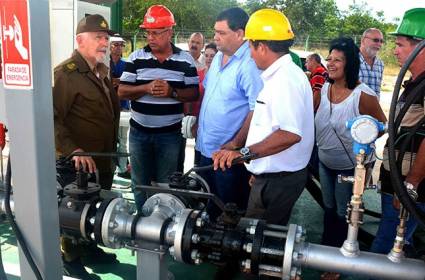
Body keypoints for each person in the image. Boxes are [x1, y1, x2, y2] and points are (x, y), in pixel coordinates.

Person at [212, 9, 314, 226]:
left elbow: (289, 134)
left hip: (279, 181)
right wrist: (259, 169)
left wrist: (243, 153)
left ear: (262, 47)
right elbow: (270, 126)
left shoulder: (284, 81)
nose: (249, 53)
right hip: (272, 176)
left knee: (260, 243)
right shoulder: (282, 75)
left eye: (250, 46)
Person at [53, 14, 120, 279]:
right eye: (98, 38)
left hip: (102, 158)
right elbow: (52, 117)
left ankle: (91, 250)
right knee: (74, 212)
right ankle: (69, 257)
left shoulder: (102, 71)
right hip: (77, 161)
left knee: (97, 209)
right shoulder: (66, 74)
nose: (104, 42)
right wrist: (74, 150)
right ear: (80, 40)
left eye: (106, 38)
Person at [314, 37, 386, 280]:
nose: (331, 64)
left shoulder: (362, 95)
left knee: (344, 213)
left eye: (338, 60)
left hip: (348, 166)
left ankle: (338, 264)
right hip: (325, 160)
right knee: (329, 207)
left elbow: (383, 125)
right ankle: (327, 251)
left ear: (350, 63)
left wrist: (364, 132)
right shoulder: (324, 88)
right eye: (329, 59)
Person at [119, 5, 199, 212]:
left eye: (155, 32)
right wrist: (146, 87)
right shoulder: (136, 58)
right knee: (139, 182)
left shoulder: (185, 60)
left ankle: (163, 224)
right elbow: (122, 91)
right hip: (139, 133)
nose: (150, 37)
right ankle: (141, 221)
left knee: (167, 183)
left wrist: (171, 92)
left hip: (170, 134)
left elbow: (193, 93)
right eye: (148, 32)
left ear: (169, 32)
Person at [195, 7, 263, 218]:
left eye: (221, 33)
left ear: (240, 34)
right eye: (215, 32)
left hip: (228, 158)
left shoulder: (250, 64)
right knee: (208, 206)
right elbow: (209, 96)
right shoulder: (217, 58)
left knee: (229, 213)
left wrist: (236, 143)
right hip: (205, 149)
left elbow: (258, 108)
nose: (215, 38)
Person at [370, 8, 425, 256]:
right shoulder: (415, 83)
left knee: (386, 246)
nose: (394, 50)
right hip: (397, 182)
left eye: (400, 44)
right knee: (397, 239)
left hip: (408, 187)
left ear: (421, 47)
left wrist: (411, 185)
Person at [110, 34, 130, 179]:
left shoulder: (126, 64)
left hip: (123, 108)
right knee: (110, 140)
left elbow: (129, 84)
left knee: (123, 141)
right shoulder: (104, 63)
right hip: (108, 109)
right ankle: (110, 168)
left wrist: (117, 81)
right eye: (115, 44)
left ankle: (122, 169)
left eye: (120, 45)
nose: (118, 48)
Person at [359, 28, 384, 99]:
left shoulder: (380, 64)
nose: (379, 44)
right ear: (363, 40)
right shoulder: (350, 61)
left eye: (381, 41)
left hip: (373, 109)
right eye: (375, 40)